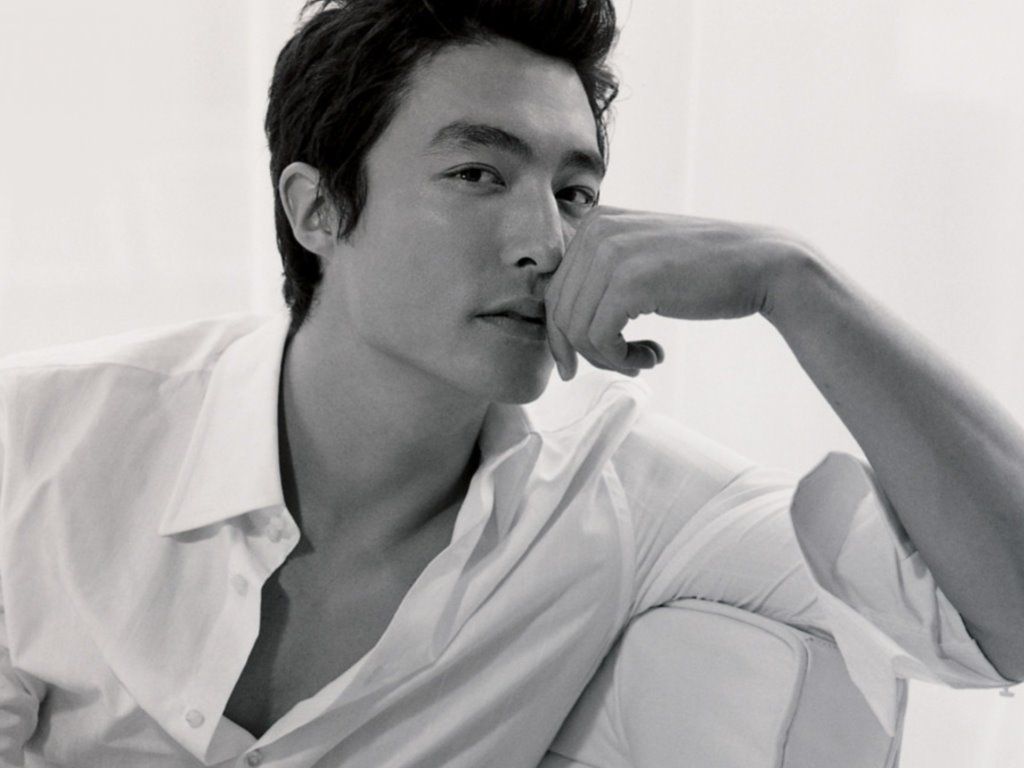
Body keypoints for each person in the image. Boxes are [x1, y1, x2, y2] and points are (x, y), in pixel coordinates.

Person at [0, 0, 1021, 765]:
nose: (546, 242)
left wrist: (796, 283)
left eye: (575, 193)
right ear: (318, 211)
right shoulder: (37, 442)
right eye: (477, 175)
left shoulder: (620, 509)